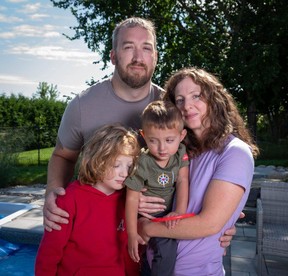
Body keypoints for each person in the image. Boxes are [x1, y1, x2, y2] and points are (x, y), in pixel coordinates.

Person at [44, 17, 236, 252]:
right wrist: (53, 192)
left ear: (155, 56)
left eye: (146, 48)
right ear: (113, 56)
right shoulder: (83, 105)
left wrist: (225, 216)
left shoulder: (171, 109)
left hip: (153, 236)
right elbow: (63, 156)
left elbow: (196, 168)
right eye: (128, 48)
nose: (138, 57)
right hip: (97, 234)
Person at [138, 67, 260, 275]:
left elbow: (209, 224)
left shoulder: (235, 152)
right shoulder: (180, 152)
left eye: (197, 96)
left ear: (215, 100)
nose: (187, 105)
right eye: (179, 100)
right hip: (153, 263)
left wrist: (146, 227)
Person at [35, 124, 140, 275]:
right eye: (116, 165)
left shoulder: (128, 201)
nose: (124, 173)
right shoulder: (69, 199)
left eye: (129, 166)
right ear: (98, 160)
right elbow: (49, 253)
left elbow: (129, 252)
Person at [125, 100, 189, 275]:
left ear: (181, 136)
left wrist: (179, 211)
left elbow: (183, 180)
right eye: (153, 141)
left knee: (155, 255)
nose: (162, 148)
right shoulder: (143, 162)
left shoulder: (180, 153)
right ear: (143, 135)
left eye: (169, 140)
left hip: (167, 212)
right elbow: (131, 197)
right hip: (148, 215)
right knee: (167, 250)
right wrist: (131, 234)